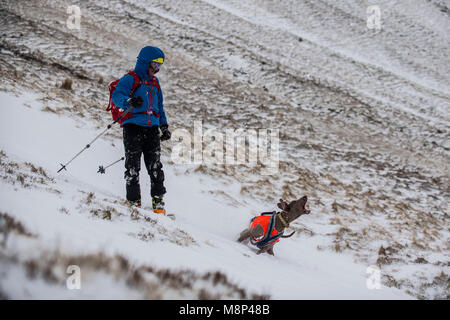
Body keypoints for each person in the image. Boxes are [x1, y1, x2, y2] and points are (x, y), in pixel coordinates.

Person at [112, 46, 171, 214]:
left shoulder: (155, 83)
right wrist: (129, 101)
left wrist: (164, 126)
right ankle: (134, 202)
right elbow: (117, 96)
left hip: (152, 128)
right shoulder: (131, 78)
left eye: (159, 65)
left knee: (155, 167)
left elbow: (159, 106)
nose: (157, 69)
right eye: (155, 64)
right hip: (133, 127)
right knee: (132, 165)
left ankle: (158, 204)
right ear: (145, 63)